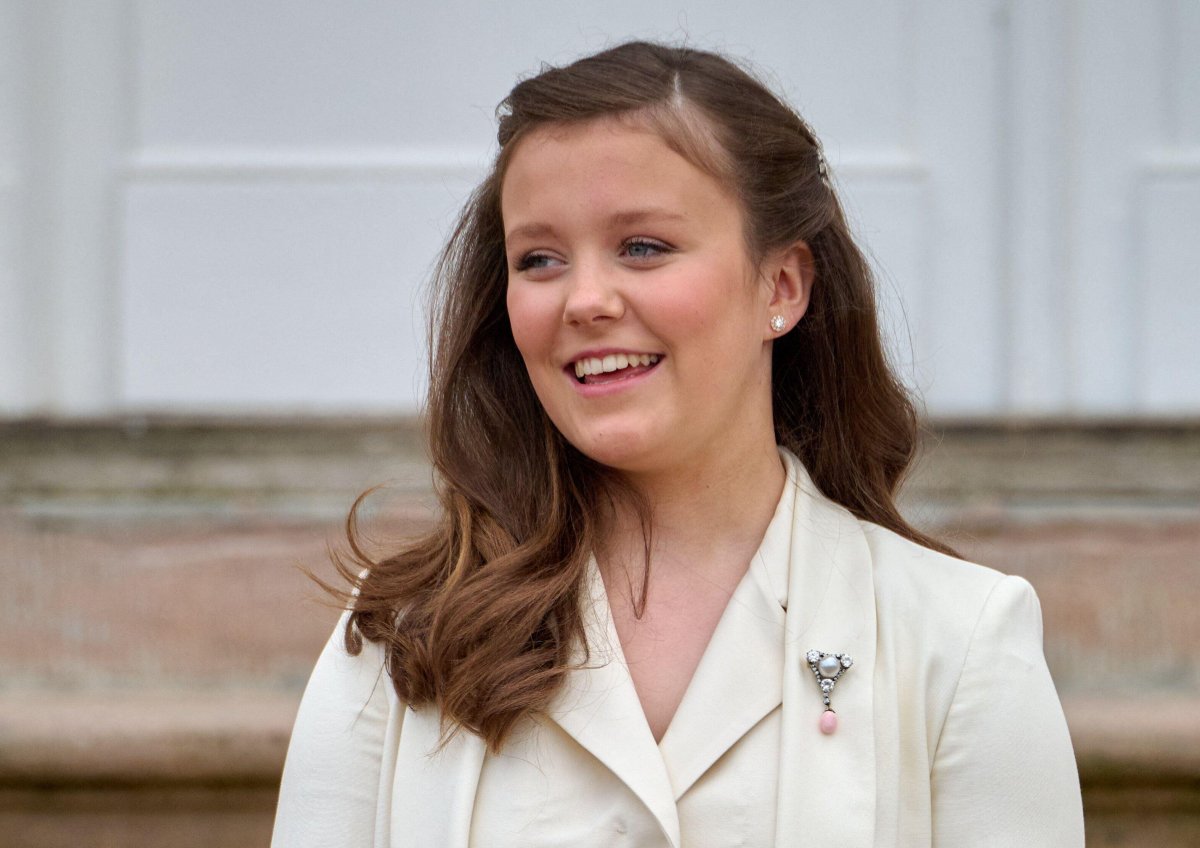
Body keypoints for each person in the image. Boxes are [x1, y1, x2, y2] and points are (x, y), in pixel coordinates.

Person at [271, 41, 1084, 847]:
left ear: (782, 286)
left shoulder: (960, 637)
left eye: (643, 247)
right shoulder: (401, 632)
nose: (585, 299)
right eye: (540, 258)